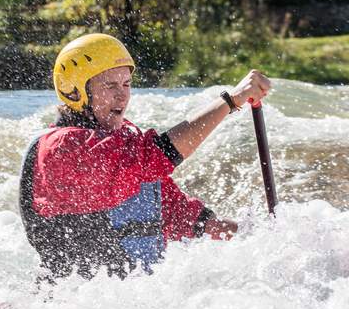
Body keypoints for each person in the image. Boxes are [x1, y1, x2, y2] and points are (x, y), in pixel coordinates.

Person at [19, 33, 270, 281]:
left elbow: (169, 209)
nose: (122, 95)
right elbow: (155, 157)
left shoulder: (123, 140)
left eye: (126, 84)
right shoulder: (61, 148)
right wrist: (231, 100)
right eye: (110, 85)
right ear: (73, 92)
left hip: (134, 304)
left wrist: (234, 232)